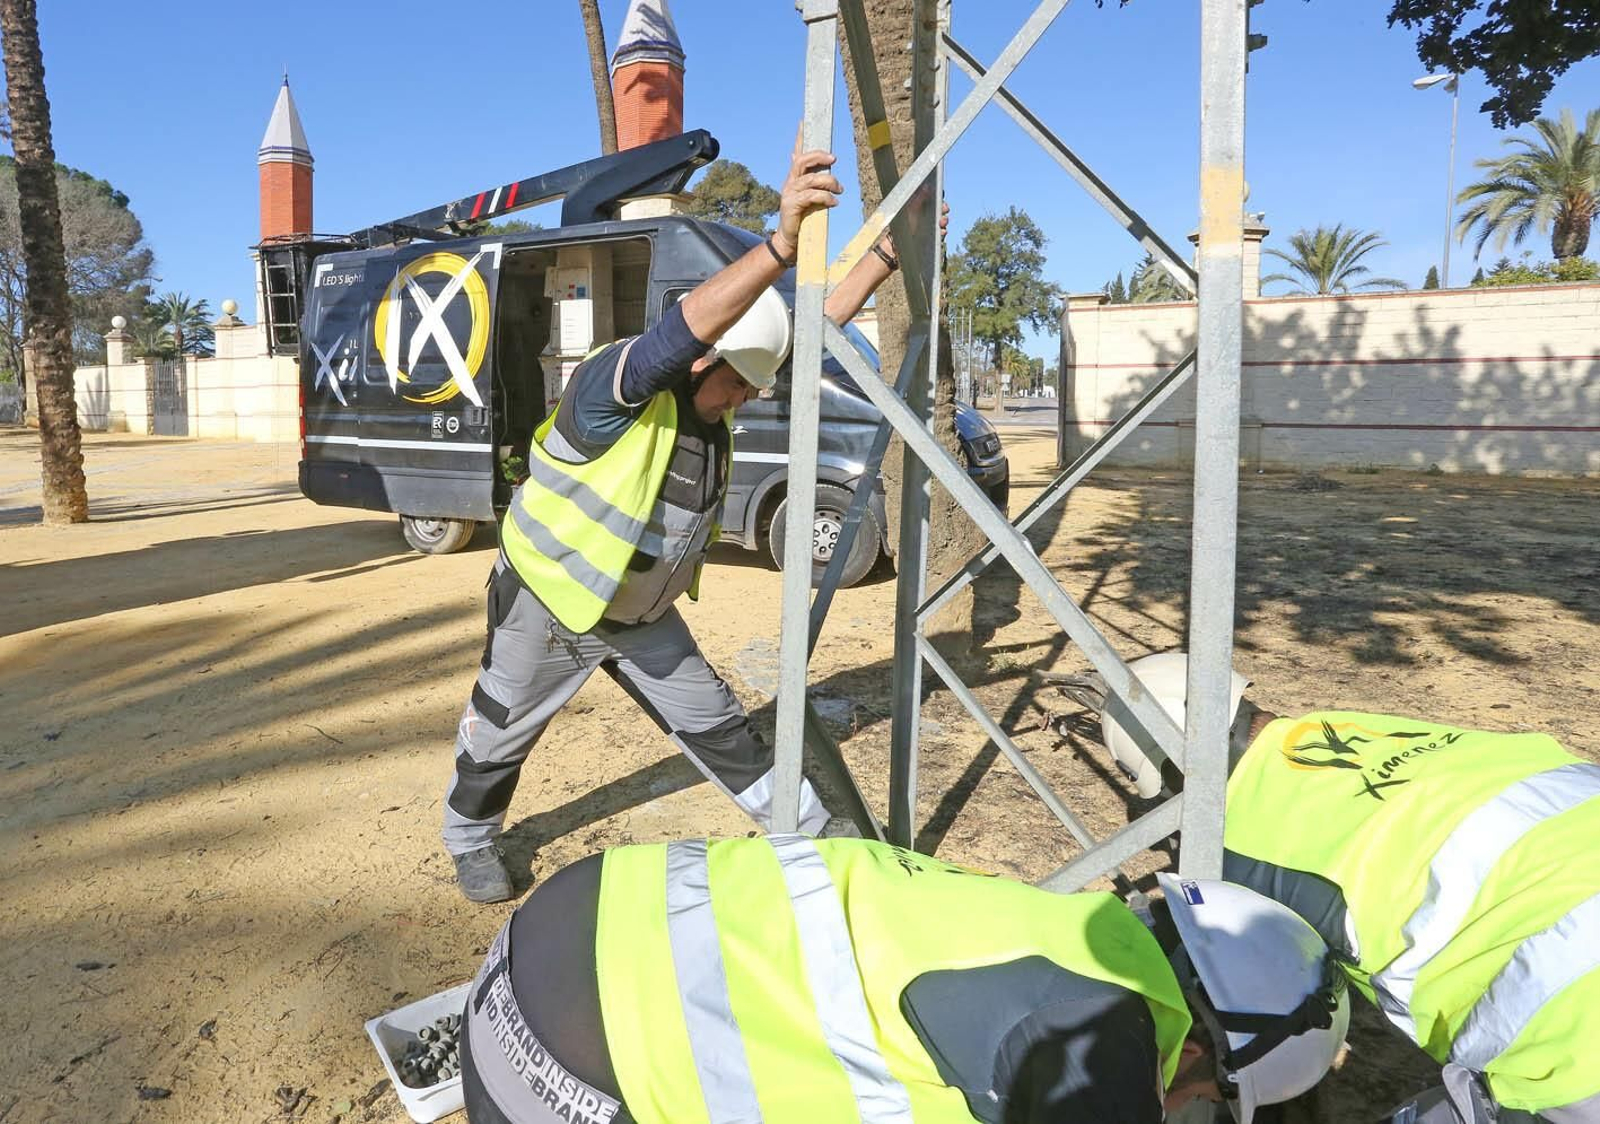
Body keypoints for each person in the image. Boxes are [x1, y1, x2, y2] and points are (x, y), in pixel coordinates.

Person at [442, 139, 913, 904]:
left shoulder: (713, 402)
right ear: (702, 362)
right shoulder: (610, 387)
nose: (748, 400)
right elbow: (685, 328)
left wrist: (886, 255)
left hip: (643, 615)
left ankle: (811, 835)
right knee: (498, 735)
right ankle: (469, 839)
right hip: (549, 607)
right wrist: (779, 245)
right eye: (737, 385)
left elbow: (812, 329)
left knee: (722, 728)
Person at [458, 834, 1348, 1124]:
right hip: (557, 1072)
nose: (1182, 1102)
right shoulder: (1099, 1033)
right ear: (1208, 1047)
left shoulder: (1065, 929)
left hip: (554, 931)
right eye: (1205, 1096)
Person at [1054, 651, 1600, 1122]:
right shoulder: (1347, 726)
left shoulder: (1236, 850)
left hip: (1572, 1011)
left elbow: (1260, 1012)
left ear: (1164, 772)